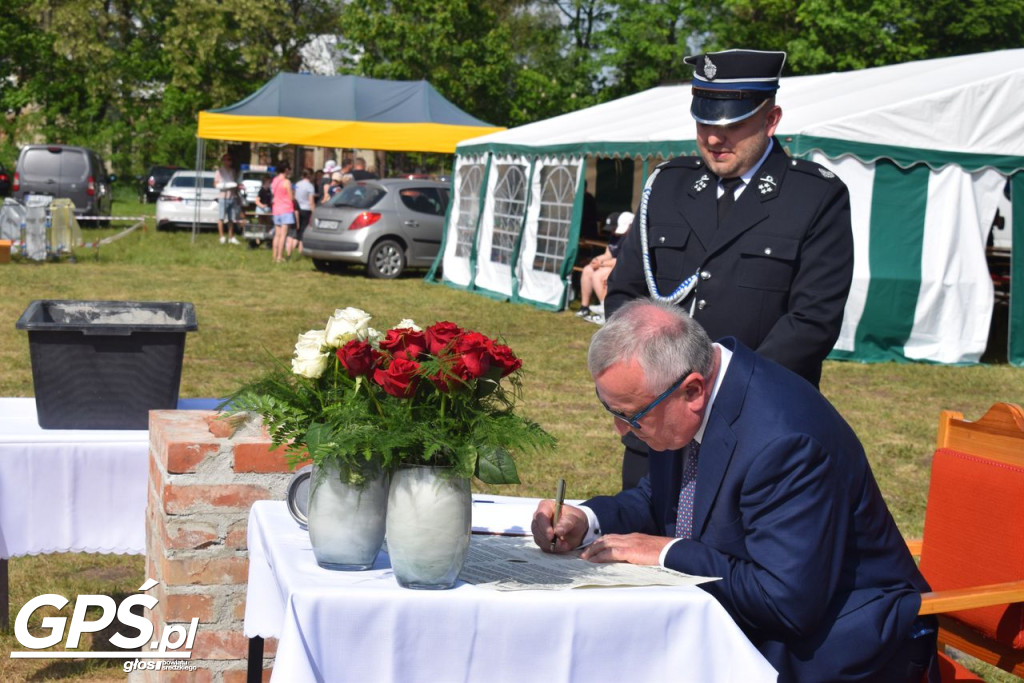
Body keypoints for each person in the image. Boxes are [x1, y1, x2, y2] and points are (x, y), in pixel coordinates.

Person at [532, 299, 937, 683]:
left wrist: (666, 552)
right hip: (752, 616)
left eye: (630, 416)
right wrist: (587, 520)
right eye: (612, 411)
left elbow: (786, 602)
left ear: (692, 391)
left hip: (840, 642)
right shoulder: (683, 390)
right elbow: (661, 500)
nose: (620, 430)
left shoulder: (784, 443)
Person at [605, 49, 854, 488]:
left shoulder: (814, 197)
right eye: (705, 124)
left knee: (727, 555)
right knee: (639, 541)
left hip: (754, 425)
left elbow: (812, 321)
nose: (714, 139)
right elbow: (626, 293)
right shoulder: (668, 185)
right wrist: (646, 379)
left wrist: (723, 392)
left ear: (771, 119)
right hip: (659, 420)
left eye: (732, 125)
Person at [577, 211, 633, 324]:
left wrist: (601, 264)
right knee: (588, 269)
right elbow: (608, 254)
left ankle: (605, 308)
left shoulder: (630, 239)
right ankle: (584, 307)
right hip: (612, 264)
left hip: (621, 266)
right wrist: (597, 260)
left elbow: (622, 260)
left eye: (614, 228)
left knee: (599, 275)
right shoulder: (614, 236)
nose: (612, 231)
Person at [271, 162, 296, 263]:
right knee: (283, 235)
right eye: (289, 169)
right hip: (286, 209)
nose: (290, 171)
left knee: (277, 235)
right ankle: (279, 257)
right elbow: (291, 197)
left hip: (276, 209)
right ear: (286, 170)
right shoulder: (287, 182)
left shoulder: (275, 180)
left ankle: (274, 256)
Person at [213, 154, 242, 245]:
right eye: (225, 160)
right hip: (223, 196)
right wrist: (223, 185)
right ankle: (221, 237)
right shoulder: (219, 171)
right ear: (223, 161)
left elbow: (234, 183)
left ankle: (231, 237)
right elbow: (215, 184)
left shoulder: (232, 171)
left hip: (232, 196)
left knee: (231, 218)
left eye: (229, 160)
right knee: (221, 217)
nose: (227, 162)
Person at [293, 168, 316, 256]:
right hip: (306, 210)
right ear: (310, 176)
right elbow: (311, 202)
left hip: (297, 209)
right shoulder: (310, 186)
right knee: (303, 232)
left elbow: (295, 197)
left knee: (296, 231)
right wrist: (314, 212)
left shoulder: (297, 184)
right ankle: (301, 252)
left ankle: (290, 250)